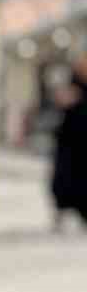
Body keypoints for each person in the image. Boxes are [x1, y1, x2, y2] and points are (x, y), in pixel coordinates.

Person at [51, 57, 87, 231]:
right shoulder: (72, 85)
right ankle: (62, 213)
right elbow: (60, 103)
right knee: (66, 180)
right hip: (70, 145)